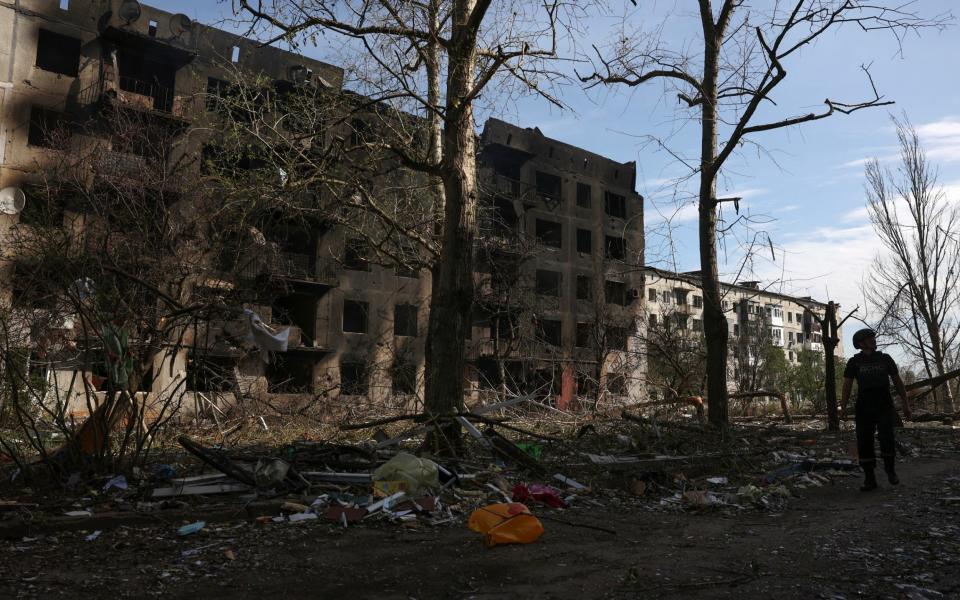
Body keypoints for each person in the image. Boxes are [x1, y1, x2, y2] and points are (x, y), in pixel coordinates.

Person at [841, 328, 912, 491]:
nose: (873, 340)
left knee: (887, 438)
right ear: (861, 343)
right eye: (869, 338)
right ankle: (869, 479)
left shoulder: (885, 359)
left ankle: (890, 471)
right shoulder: (854, 362)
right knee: (864, 442)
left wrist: (906, 404)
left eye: (873, 337)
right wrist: (843, 407)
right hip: (864, 407)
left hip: (884, 405)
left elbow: (897, 381)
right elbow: (847, 385)